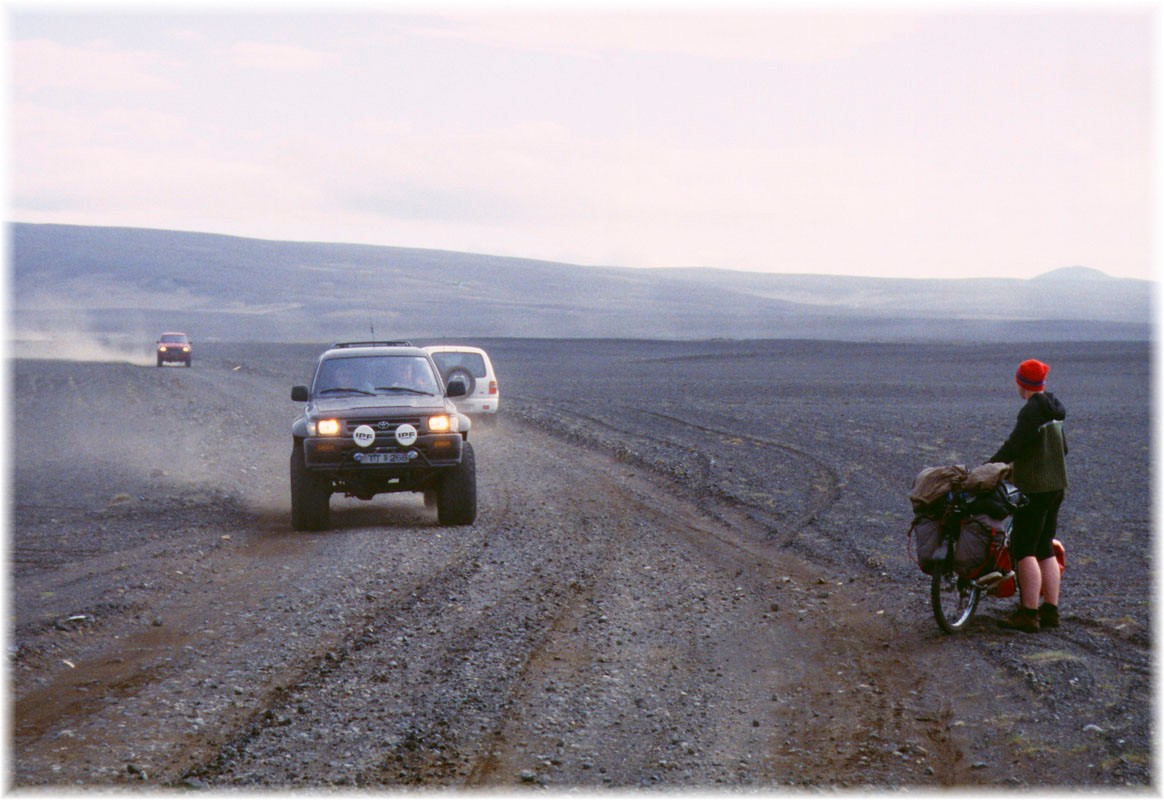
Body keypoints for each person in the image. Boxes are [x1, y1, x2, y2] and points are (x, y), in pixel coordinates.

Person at [989, 359, 1068, 633]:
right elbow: (1063, 450)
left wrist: (991, 465)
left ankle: (1028, 613)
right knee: (1045, 547)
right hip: (1057, 487)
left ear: (1021, 383)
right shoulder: (1053, 409)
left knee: (1024, 550)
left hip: (1035, 489)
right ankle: (1050, 611)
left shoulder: (1031, 412)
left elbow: (1015, 445)